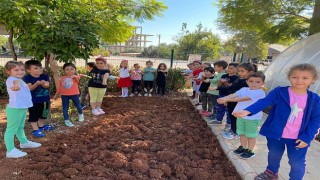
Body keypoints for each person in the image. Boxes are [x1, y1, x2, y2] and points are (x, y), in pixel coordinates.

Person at [234, 63, 320, 180]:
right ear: (289, 77)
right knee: (274, 154)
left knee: (296, 162)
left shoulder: (315, 99)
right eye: (295, 77)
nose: (299, 80)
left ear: (313, 79)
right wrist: (248, 111)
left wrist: (307, 137)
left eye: (305, 78)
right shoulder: (280, 92)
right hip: (276, 133)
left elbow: (316, 120)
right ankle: (271, 173)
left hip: (299, 137)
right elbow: (264, 102)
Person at [218, 72, 266, 159]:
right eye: (251, 81)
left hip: (252, 118)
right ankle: (243, 147)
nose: (254, 84)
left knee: (250, 135)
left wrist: (227, 99)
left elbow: (243, 99)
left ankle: (250, 151)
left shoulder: (260, 92)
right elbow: (235, 94)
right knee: (242, 133)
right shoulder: (244, 89)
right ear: (247, 82)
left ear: (263, 83)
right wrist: (224, 98)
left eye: (257, 82)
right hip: (240, 116)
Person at [4, 61, 41, 158]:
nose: (20, 72)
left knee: (20, 127)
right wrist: (16, 85)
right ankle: (10, 150)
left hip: (21, 108)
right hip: (15, 108)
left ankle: (24, 142)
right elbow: (17, 82)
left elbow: (19, 82)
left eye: (22, 69)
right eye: (16, 70)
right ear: (9, 72)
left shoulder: (20, 79)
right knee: (11, 130)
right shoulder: (12, 79)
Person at [217, 63, 257, 139]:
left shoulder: (247, 82)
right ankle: (233, 130)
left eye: (242, 71)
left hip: (238, 103)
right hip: (232, 101)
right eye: (239, 71)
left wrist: (227, 98)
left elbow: (240, 94)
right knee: (232, 116)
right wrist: (226, 99)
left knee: (236, 118)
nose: (240, 73)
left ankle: (237, 133)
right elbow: (231, 89)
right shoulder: (238, 79)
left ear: (250, 72)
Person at [23, 60, 54, 138]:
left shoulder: (44, 76)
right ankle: (35, 129)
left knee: (43, 114)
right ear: (28, 70)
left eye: (40, 67)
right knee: (34, 115)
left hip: (45, 100)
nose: (39, 69)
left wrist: (44, 83)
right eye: (36, 68)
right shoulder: (27, 78)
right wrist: (36, 84)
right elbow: (29, 88)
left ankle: (41, 126)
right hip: (33, 101)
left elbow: (47, 85)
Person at [218, 63, 239, 131]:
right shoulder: (224, 75)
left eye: (231, 68)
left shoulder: (237, 78)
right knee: (220, 108)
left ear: (236, 70)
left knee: (229, 110)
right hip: (221, 94)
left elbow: (231, 88)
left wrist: (226, 83)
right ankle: (218, 120)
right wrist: (221, 82)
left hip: (230, 96)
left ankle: (228, 124)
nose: (229, 70)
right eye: (229, 68)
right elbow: (219, 85)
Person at [206, 60, 228, 124]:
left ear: (221, 67)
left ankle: (216, 117)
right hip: (213, 91)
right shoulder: (219, 74)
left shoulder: (223, 74)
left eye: (215, 67)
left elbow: (216, 81)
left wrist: (209, 80)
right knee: (214, 105)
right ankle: (213, 115)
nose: (214, 68)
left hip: (216, 92)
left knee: (217, 105)